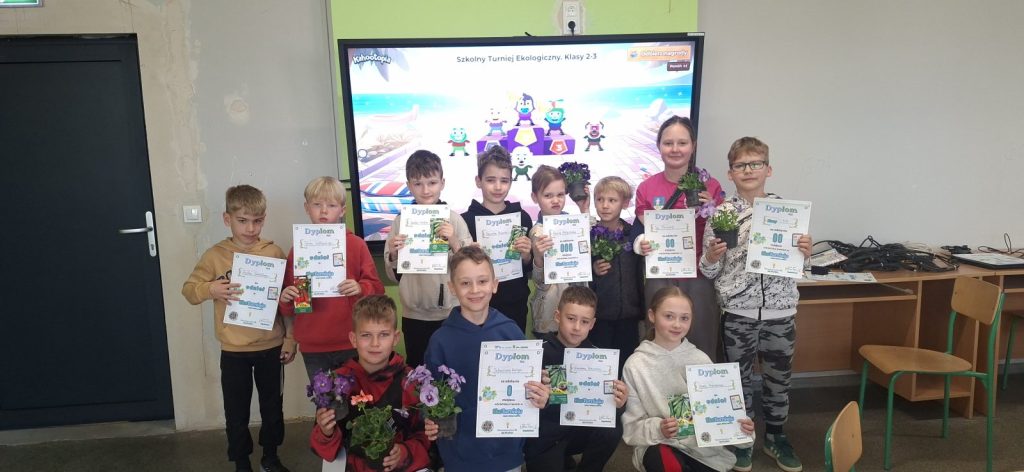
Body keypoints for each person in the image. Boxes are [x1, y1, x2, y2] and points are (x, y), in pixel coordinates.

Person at [699, 137, 812, 472]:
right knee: (739, 381)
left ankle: (776, 436)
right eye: (740, 165)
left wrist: (805, 253)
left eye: (755, 164)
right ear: (730, 173)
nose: (748, 170)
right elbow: (709, 271)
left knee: (779, 380)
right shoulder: (721, 214)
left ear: (768, 169)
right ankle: (743, 438)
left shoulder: (788, 213)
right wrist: (711, 256)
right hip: (738, 313)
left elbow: (801, 268)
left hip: (781, 312)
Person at [181, 184, 295, 472]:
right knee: (236, 411)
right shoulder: (215, 255)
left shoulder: (274, 252)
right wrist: (211, 289)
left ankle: (270, 456)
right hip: (233, 350)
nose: (250, 228)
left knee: (272, 407)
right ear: (227, 219)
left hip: (271, 345)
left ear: (264, 219)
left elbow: (288, 301)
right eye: (242, 220)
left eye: (257, 221)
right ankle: (241, 462)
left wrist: (291, 338)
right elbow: (189, 291)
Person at [423, 246, 551, 472]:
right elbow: (429, 395)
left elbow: (531, 388)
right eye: (465, 283)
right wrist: (429, 418)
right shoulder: (440, 341)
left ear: (494, 284)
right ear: (452, 288)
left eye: (482, 281)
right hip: (460, 454)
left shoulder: (511, 332)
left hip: (506, 452)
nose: (475, 290)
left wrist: (541, 394)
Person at [622, 286, 755, 472]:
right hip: (660, 444)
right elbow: (631, 428)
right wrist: (659, 428)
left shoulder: (701, 360)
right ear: (652, 316)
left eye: (684, 318)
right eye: (669, 316)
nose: (677, 324)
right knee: (662, 459)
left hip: (703, 451)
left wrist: (743, 428)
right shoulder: (635, 365)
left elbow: (721, 411)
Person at [634, 116, 726, 359]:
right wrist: (642, 244)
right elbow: (645, 230)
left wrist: (713, 208)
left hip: (699, 274)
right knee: (660, 340)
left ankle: (701, 383)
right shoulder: (646, 188)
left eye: (682, 143)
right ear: (659, 146)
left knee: (702, 339)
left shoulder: (711, 186)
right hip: (661, 273)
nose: (675, 149)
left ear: (693, 146)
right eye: (668, 143)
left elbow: (723, 230)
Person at [279, 176, 385, 381]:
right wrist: (286, 298)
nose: (324, 211)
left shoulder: (356, 245)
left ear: (342, 210)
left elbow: (377, 289)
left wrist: (360, 287)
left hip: (351, 340)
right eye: (317, 205)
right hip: (313, 344)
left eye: (331, 205)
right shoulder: (298, 249)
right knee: (323, 399)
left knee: (357, 398)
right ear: (306, 208)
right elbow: (291, 302)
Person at [309, 295, 430, 472]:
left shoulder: (411, 382)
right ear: (353, 339)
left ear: (395, 338)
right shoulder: (336, 383)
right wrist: (326, 432)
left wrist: (404, 452)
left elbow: (424, 437)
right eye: (366, 335)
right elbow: (325, 452)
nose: (375, 344)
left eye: (384, 335)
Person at [384, 150, 472, 367]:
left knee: (451, 370)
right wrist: (394, 254)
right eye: (418, 184)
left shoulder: (454, 220)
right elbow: (394, 276)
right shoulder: (400, 222)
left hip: (449, 313)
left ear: (442, 183)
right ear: (409, 185)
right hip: (414, 315)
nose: (425, 190)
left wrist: (454, 241)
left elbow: (470, 268)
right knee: (418, 369)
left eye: (432, 183)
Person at [525, 286, 627, 472]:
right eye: (571, 318)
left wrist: (618, 402)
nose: (577, 327)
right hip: (546, 434)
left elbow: (607, 406)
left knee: (612, 429)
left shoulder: (599, 358)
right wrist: (537, 393)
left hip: (578, 430)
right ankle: (559, 458)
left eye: (584, 321)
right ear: (558, 316)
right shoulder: (538, 353)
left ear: (592, 324)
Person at [460, 146, 534, 333]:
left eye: (504, 180)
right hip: (477, 305)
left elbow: (528, 267)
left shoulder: (522, 218)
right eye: (490, 180)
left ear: (511, 182)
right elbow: (458, 270)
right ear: (478, 181)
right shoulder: (465, 221)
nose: (498, 187)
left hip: (515, 303)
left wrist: (526, 256)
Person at [589, 176, 644, 371]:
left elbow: (640, 275)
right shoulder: (589, 236)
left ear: (625, 203)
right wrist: (593, 270)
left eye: (612, 200)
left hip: (629, 316)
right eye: (600, 199)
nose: (605, 206)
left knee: (625, 367)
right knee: (600, 368)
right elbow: (579, 275)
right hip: (599, 318)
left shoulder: (633, 235)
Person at [529, 164, 590, 338]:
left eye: (560, 195)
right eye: (548, 195)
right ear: (535, 197)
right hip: (549, 316)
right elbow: (539, 281)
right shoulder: (537, 233)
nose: (555, 200)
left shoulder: (573, 223)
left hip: (578, 309)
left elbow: (586, 247)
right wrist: (538, 258)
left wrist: (584, 209)